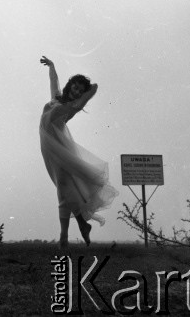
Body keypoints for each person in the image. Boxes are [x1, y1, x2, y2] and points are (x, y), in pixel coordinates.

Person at [39, 55, 118, 250]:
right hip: (49, 148)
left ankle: (64, 236)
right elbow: (53, 82)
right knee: (65, 188)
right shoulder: (56, 99)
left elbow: (86, 96)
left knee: (64, 189)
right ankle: (82, 224)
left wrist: (89, 91)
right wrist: (52, 66)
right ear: (69, 86)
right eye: (74, 87)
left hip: (60, 150)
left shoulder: (70, 108)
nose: (76, 92)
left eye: (79, 91)